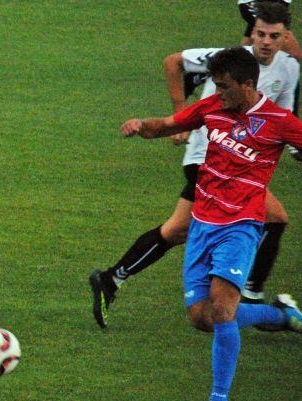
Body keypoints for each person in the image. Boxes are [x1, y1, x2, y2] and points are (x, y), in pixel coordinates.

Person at [120, 47, 302, 401]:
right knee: (202, 318)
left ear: (248, 85)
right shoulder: (212, 109)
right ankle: (280, 315)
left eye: (224, 87)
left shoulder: (279, 121)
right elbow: (169, 125)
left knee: (221, 309)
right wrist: (141, 125)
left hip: (242, 226)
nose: (217, 94)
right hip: (202, 224)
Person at [90, 1, 300, 328]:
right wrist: (181, 116)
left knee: (175, 230)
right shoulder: (227, 59)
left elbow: (284, 119)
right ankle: (254, 297)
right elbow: (174, 62)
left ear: (286, 36)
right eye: (260, 33)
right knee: (273, 218)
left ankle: (113, 277)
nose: (265, 42)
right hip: (207, 155)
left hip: (244, 162)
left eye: (274, 36)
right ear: (252, 31)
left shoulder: (289, 69)